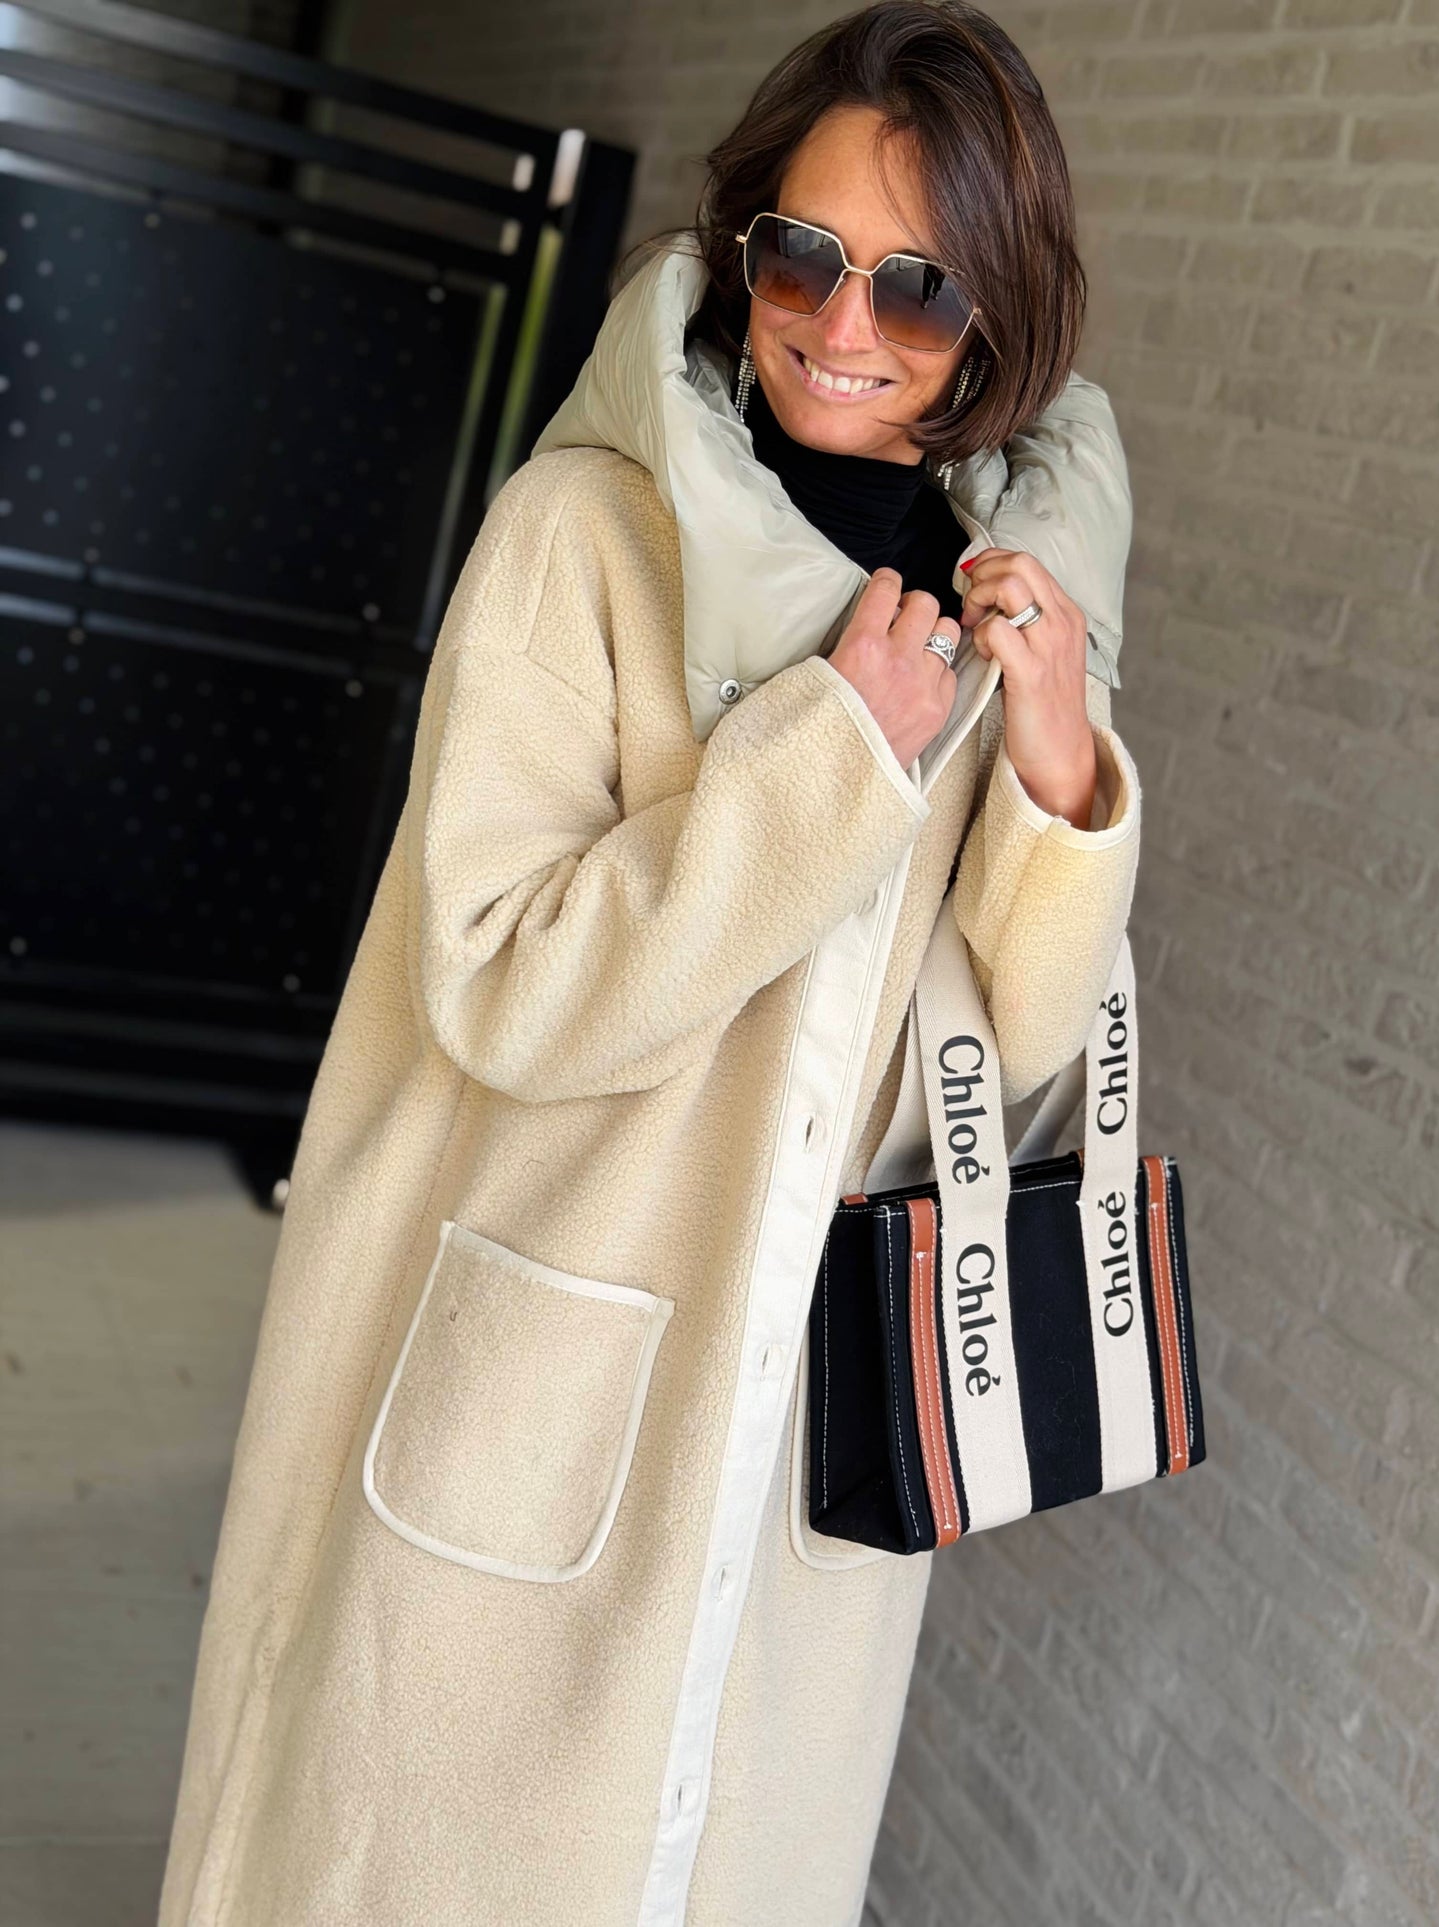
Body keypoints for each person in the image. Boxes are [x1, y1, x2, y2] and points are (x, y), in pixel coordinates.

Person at [158, 5, 1141, 1923]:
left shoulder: (1007, 606)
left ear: (996, 327)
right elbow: (500, 981)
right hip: (530, 1402)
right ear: (743, 238)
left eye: (920, 287)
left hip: (806, 1442)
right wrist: (832, 757)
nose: (842, 325)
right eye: (804, 254)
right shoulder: (587, 540)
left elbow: (1023, 1058)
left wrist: (1051, 766)